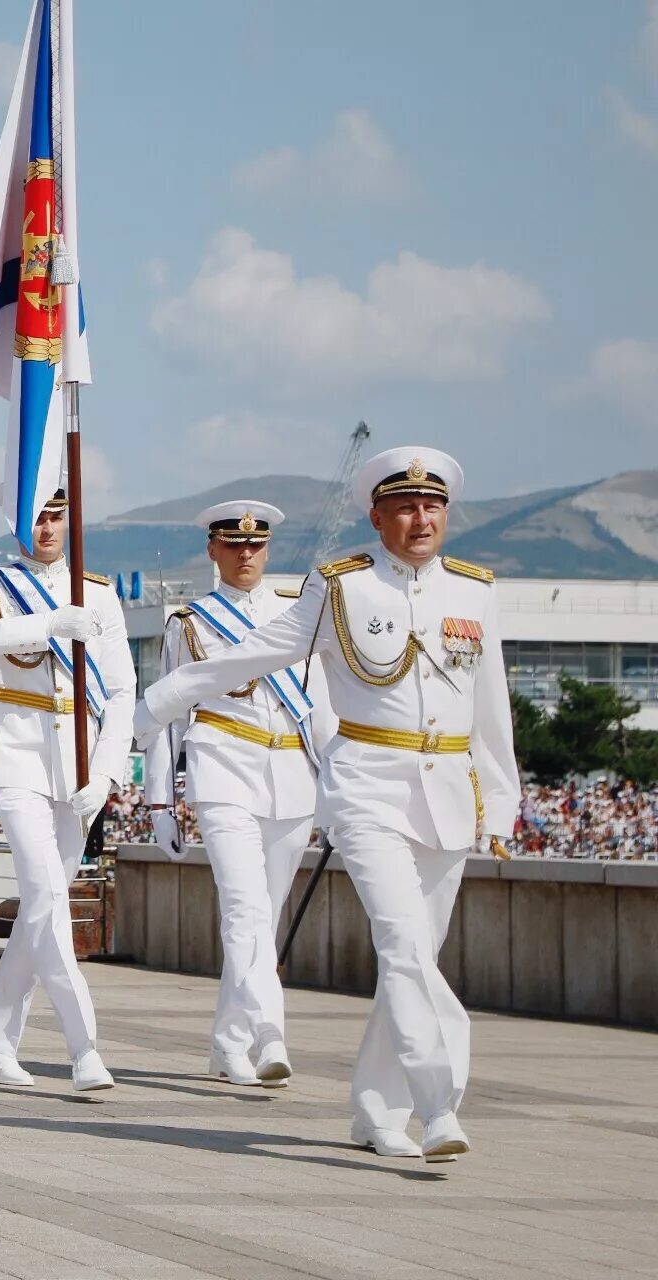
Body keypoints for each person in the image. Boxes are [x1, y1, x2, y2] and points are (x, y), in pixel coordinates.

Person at [135, 447, 519, 1163]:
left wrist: (501, 801)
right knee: (404, 946)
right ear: (376, 516)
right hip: (368, 786)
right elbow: (260, 651)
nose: (421, 518)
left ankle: (376, 1109)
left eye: (432, 506)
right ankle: (439, 1104)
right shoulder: (340, 587)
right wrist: (163, 700)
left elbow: (491, 711)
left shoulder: (474, 591)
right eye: (405, 506)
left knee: (416, 959)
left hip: (446, 794)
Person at [0, 485, 130, 1092]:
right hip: (15, 749)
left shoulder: (98, 592)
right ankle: (84, 1048)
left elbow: (123, 688)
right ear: (14, 522)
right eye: (35, 518)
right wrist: (46, 623)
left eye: (56, 516)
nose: (46, 529)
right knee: (47, 892)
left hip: (78, 757)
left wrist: (105, 770)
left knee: (40, 906)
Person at [142, 500, 328, 1088]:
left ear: (267, 549)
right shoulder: (190, 622)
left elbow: (321, 706)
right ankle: (270, 1032)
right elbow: (169, 711)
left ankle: (229, 1042)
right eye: (233, 544)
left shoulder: (301, 613)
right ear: (213, 550)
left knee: (260, 918)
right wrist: (158, 798)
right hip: (222, 764)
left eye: (255, 545)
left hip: (292, 772)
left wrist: (341, 790)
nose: (245, 554)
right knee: (245, 909)